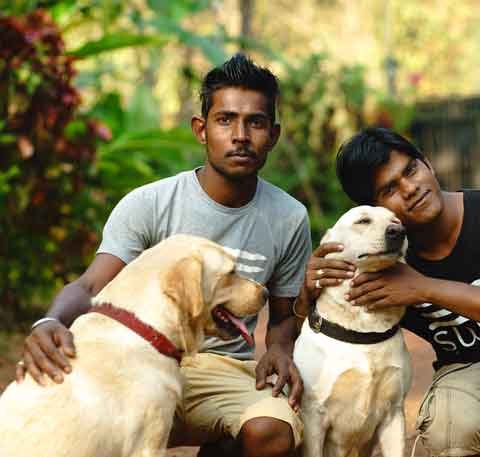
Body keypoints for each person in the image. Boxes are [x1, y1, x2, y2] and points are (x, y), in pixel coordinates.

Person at [15, 53, 311, 457]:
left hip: (222, 373)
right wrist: (49, 320)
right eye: (225, 120)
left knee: (273, 431)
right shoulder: (150, 203)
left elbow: (281, 317)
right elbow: (91, 284)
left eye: (255, 122)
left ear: (273, 135)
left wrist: (279, 349)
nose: (240, 135)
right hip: (134, 361)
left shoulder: (289, 217)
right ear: (201, 129)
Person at [295, 127, 480, 457]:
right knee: (445, 426)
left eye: (411, 170)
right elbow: (319, 346)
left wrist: (424, 288)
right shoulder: (383, 262)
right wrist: (310, 293)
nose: (410, 188)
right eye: (389, 189)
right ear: (377, 209)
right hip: (467, 377)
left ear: (427, 163)